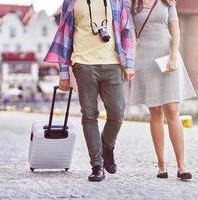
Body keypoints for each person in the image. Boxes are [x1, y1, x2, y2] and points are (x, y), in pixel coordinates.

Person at [44, 0, 135, 182]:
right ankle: (97, 165)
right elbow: (65, 37)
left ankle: (106, 147)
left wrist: (129, 63)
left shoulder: (117, 1)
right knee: (89, 114)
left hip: (113, 63)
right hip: (83, 65)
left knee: (117, 113)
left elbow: (126, 31)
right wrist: (64, 74)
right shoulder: (71, 2)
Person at [125, 0, 196, 180]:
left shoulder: (167, 1)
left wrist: (173, 55)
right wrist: (130, 63)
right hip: (144, 58)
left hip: (167, 54)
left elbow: (175, 30)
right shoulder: (130, 3)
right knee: (155, 111)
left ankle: (181, 166)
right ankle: (161, 165)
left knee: (172, 110)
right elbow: (132, 36)